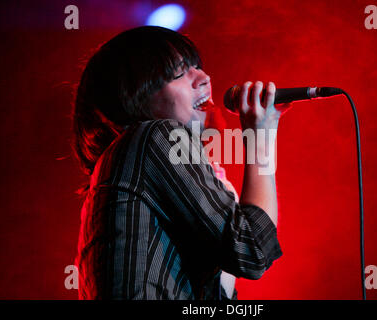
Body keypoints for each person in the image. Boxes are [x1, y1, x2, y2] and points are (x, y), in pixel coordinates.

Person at [72, 26, 283, 300]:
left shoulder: (131, 164)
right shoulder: (153, 136)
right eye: (180, 73)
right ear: (134, 98)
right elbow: (252, 249)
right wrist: (260, 141)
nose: (204, 78)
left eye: (197, 67)